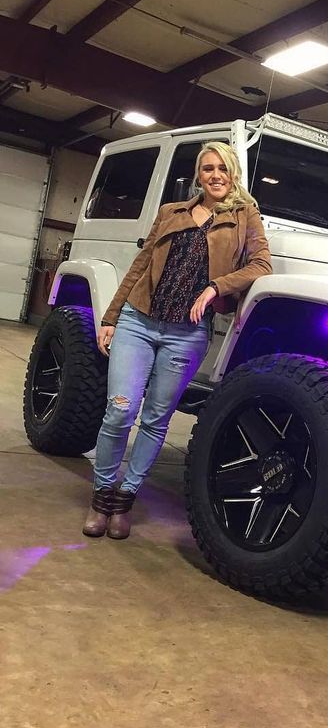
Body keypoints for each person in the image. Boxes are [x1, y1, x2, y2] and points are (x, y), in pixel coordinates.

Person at [83, 141, 272, 539]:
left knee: (156, 419)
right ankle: (101, 494)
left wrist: (216, 286)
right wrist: (112, 317)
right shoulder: (172, 212)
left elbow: (260, 264)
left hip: (186, 336)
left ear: (233, 172)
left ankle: (124, 499)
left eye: (222, 167)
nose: (215, 175)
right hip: (138, 320)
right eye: (207, 168)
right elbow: (140, 266)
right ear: (198, 175)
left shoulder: (245, 216)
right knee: (119, 411)